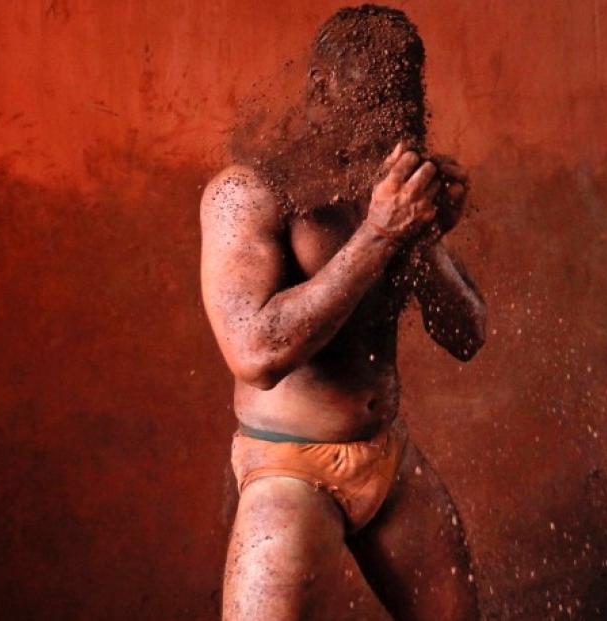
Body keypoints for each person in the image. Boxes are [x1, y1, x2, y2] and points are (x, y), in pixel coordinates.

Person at [200, 5, 486, 619]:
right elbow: (255, 352)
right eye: (374, 97)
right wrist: (381, 236)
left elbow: (469, 335)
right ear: (322, 91)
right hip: (287, 470)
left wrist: (424, 239)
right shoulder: (247, 193)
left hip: (388, 456)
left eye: (404, 99)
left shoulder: (389, 190)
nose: (392, 118)